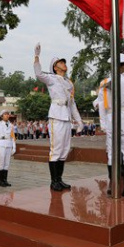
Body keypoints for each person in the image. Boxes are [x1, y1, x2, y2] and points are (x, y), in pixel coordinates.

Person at [34, 43, 83, 191]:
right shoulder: (51, 78)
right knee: (56, 149)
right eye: (60, 62)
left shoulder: (69, 83)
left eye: (64, 62)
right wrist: (36, 57)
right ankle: (53, 181)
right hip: (56, 115)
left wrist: (79, 121)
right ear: (55, 67)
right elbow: (38, 74)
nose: (64, 64)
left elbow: (72, 103)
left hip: (67, 116)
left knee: (64, 150)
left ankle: (59, 180)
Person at [95, 53, 124, 196]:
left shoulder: (104, 83)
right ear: (122, 66)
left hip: (110, 116)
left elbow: (100, 102)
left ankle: (112, 185)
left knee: (111, 151)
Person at [0, 110, 16, 187]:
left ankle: (5, 180)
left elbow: (12, 136)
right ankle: (1, 181)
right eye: (5, 114)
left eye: (8, 114)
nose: (7, 115)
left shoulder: (11, 125)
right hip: (1, 143)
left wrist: (14, 147)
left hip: (9, 143)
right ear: (2, 116)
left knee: (7, 163)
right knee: (1, 162)